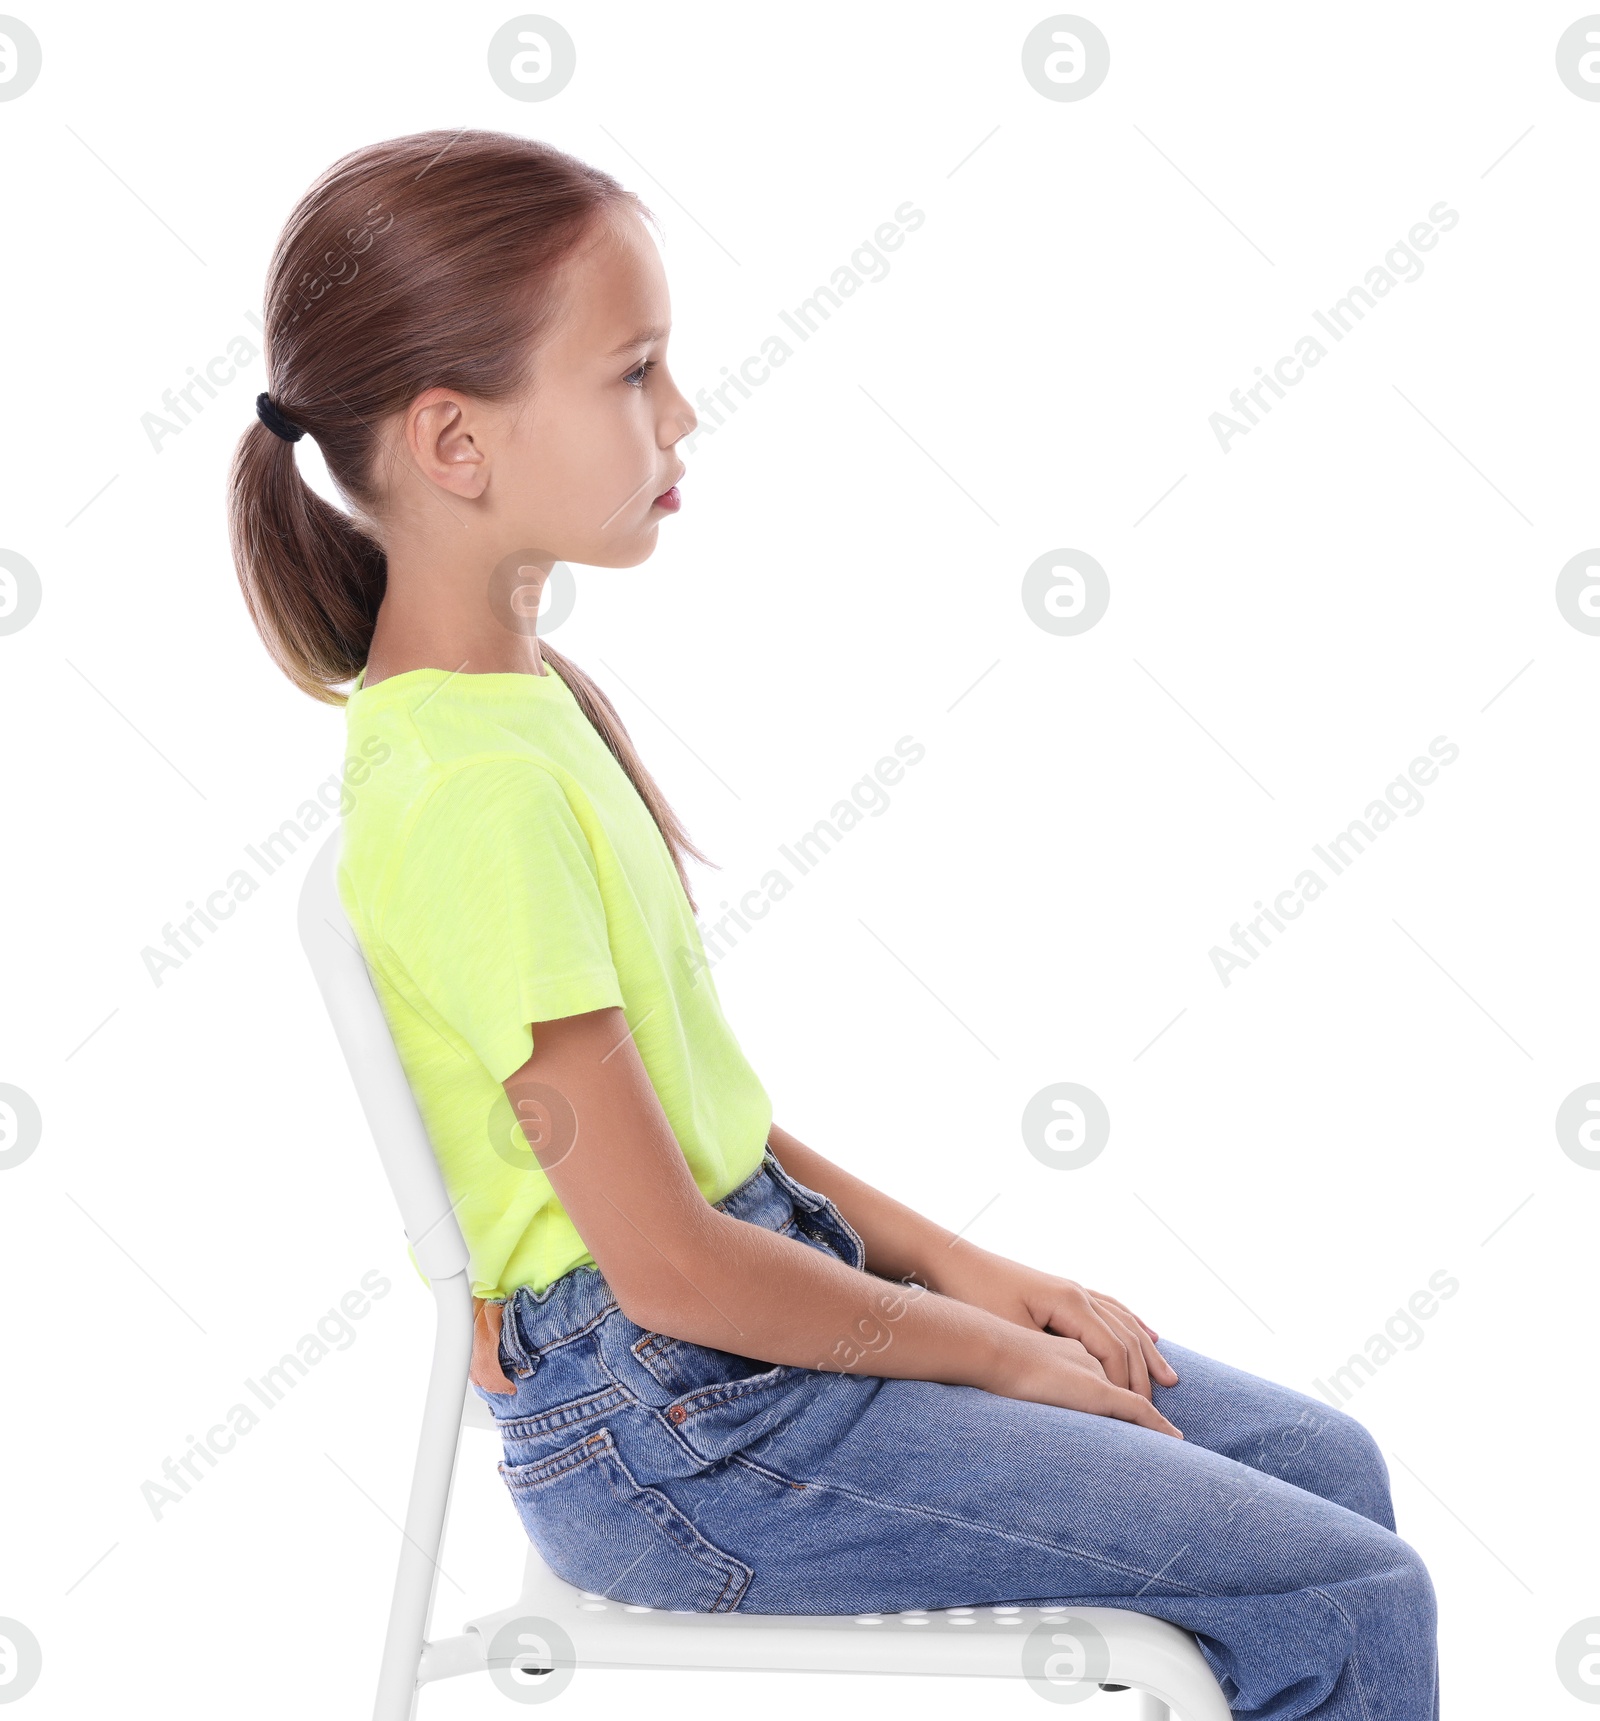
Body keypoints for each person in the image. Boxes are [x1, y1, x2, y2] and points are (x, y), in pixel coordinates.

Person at [227, 129, 1438, 1718]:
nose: (682, 414)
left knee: (1324, 1470)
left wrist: (974, 1273)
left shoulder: (521, 716)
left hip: (736, 1331)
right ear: (456, 441)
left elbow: (692, 1142)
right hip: (684, 1432)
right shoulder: (467, 789)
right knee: (1347, 1591)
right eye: (634, 374)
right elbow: (662, 1264)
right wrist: (992, 1354)